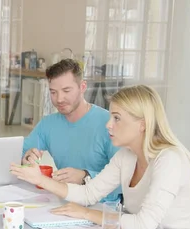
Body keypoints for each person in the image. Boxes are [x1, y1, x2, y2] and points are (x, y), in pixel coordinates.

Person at [10, 85, 190, 229]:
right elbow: (89, 194)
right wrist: (40, 179)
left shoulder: (169, 160)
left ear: (143, 124)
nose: (108, 124)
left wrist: (87, 213)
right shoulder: (126, 156)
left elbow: (143, 225)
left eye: (117, 118)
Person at [22, 59, 120, 201]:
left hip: (103, 207)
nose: (59, 99)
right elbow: (18, 154)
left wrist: (85, 176)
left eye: (66, 91)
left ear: (82, 87)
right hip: (66, 201)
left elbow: (126, 181)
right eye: (53, 92)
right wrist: (25, 158)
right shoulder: (48, 124)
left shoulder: (109, 123)